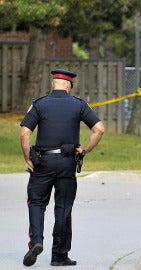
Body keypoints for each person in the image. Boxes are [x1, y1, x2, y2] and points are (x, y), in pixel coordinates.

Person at [20, 69, 105, 266]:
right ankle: (59, 255)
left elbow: (25, 133)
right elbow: (99, 129)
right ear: (69, 86)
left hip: (43, 162)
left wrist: (27, 157)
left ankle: (36, 241)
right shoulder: (79, 105)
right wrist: (84, 150)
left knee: (36, 203)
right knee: (63, 208)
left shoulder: (39, 105)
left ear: (53, 84)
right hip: (67, 162)